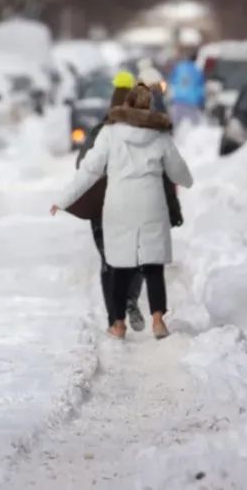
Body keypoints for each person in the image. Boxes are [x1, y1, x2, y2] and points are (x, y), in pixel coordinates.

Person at [52, 84, 194, 340]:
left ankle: (117, 324)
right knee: (152, 267)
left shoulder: (109, 134)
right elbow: (178, 172)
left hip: (119, 206)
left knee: (118, 266)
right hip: (151, 205)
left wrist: (63, 200)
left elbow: (89, 170)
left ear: (125, 105)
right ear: (148, 107)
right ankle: (158, 320)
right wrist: (188, 181)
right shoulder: (160, 136)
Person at [70, 71, 145, 332]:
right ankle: (130, 300)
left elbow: (82, 165)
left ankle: (115, 318)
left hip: (102, 207)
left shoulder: (99, 132)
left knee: (108, 260)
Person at [167, 46, 206, 128]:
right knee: (196, 126)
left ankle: (173, 139)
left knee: (174, 126)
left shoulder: (179, 67)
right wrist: (202, 101)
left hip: (178, 100)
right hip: (191, 102)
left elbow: (172, 82)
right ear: (196, 59)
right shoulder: (197, 71)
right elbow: (200, 88)